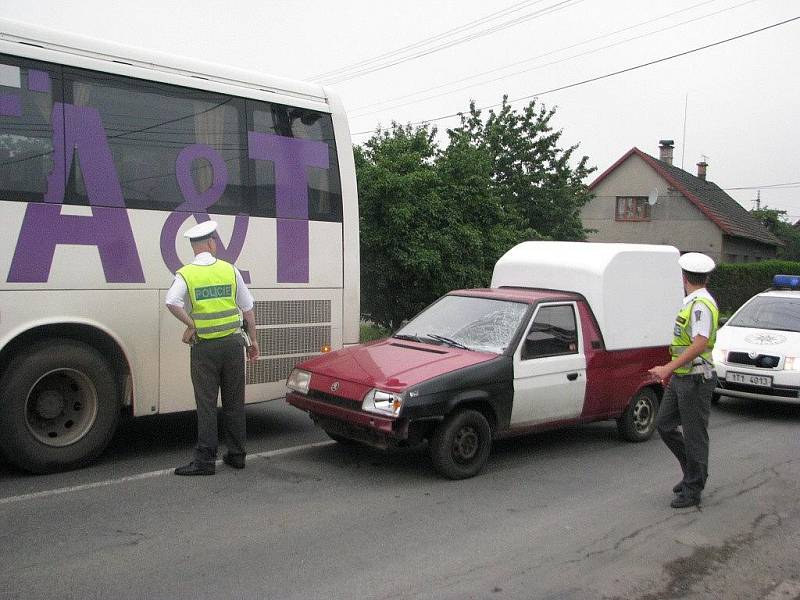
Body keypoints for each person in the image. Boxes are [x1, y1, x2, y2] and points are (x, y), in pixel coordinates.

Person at [165, 220, 259, 475]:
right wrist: (253, 341)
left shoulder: (186, 274)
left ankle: (205, 461)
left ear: (195, 247)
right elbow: (248, 308)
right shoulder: (230, 270)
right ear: (211, 244)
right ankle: (237, 455)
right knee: (234, 402)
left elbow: (171, 301)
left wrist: (191, 324)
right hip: (232, 346)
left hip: (205, 349)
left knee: (206, 404)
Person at [649, 252, 719, 508]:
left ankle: (693, 487)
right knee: (665, 425)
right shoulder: (691, 301)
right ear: (706, 277)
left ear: (683, 276)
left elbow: (699, 344)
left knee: (694, 435)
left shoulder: (701, 305)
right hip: (683, 376)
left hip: (696, 378)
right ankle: (692, 473)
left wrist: (667, 368)